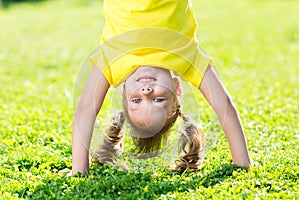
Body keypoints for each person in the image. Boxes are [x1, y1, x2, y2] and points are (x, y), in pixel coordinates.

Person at [72, 0, 251, 176]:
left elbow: (86, 108)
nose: (146, 92)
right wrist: (242, 163)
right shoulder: (187, 57)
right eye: (158, 100)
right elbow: (224, 105)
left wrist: (79, 171)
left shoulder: (111, 61)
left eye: (136, 100)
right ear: (176, 88)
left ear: (125, 90)